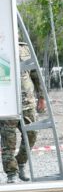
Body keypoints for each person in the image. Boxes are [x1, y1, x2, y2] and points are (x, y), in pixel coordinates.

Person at [1, 41, 45, 183]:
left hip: (27, 103)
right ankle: (11, 174)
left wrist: (41, 97)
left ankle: (20, 162)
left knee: (32, 135)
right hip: (6, 104)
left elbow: (36, 74)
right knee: (9, 142)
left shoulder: (25, 48)